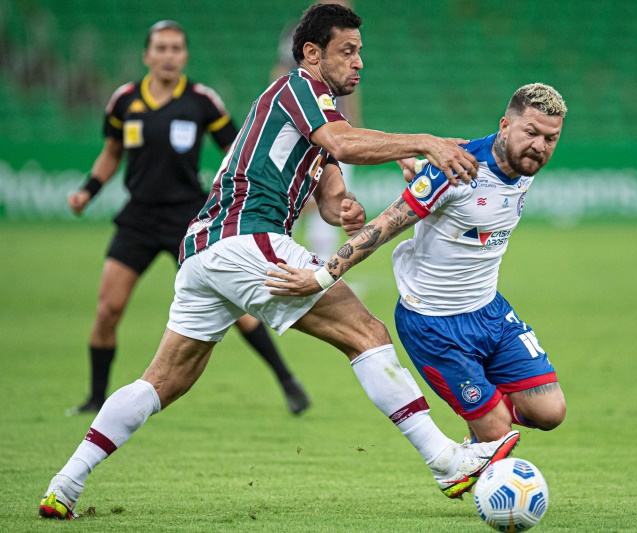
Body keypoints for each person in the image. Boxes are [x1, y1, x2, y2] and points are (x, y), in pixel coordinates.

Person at [39, 4, 516, 520]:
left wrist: (346, 211)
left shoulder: (318, 118)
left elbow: (333, 191)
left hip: (203, 251)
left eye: (361, 53)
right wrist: (425, 142)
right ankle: (446, 460)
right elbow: (342, 143)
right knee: (367, 333)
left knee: (163, 380)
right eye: (347, 51)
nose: (359, 63)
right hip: (245, 237)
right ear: (312, 54)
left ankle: (64, 484)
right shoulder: (297, 89)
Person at [265, 83, 567, 444]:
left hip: (489, 311)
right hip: (434, 324)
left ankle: (485, 414)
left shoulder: (524, 164)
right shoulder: (458, 169)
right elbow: (386, 224)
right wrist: (321, 276)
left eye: (550, 139)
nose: (539, 146)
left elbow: (458, 147)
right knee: (499, 433)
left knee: (550, 413)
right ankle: (486, 425)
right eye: (531, 133)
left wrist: (411, 159)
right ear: (505, 126)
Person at [64, 20, 311, 417]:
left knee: (239, 311)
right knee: (108, 309)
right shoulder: (124, 101)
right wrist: (87, 191)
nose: (168, 55)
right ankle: (95, 398)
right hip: (138, 219)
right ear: (147, 55)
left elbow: (240, 148)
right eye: (160, 48)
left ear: (185, 55)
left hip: (190, 220)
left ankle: (288, 382)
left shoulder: (202, 101)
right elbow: (111, 153)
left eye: (176, 48)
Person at [271, 0, 362, 260]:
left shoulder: (346, 36)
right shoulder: (300, 32)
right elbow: (281, 71)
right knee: (291, 204)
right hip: (307, 127)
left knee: (336, 202)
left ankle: (324, 269)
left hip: (335, 126)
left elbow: (353, 86)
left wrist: (352, 125)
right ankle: (277, 260)